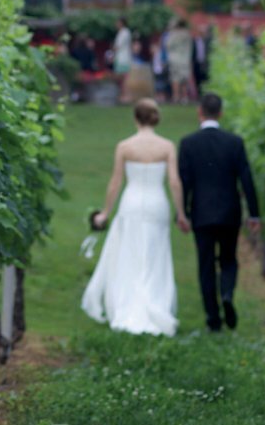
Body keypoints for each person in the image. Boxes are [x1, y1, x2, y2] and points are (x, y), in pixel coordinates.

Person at [81, 98, 190, 337]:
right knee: (155, 253)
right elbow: (174, 181)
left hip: (131, 203)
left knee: (130, 253)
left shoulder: (125, 146)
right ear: (155, 117)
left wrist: (106, 212)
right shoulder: (166, 146)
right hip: (157, 204)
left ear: (135, 118)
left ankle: (129, 302)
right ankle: (155, 301)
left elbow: (115, 182)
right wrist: (181, 212)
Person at [178, 93, 260, 332]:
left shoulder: (188, 143)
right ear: (221, 113)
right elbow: (246, 179)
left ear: (199, 112)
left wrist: (182, 213)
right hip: (229, 212)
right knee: (228, 260)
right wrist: (254, 213)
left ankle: (213, 319)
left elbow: (185, 182)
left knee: (205, 266)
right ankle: (226, 293)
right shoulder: (234, 142)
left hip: (202, 214)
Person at [166, 18, 193, 104]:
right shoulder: (187, 34)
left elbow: (168, 45)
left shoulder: (173, 34)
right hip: (185, 59)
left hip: (174, 59)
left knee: (175, 79)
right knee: (184, 79)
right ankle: (184, 97)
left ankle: (176, 96)